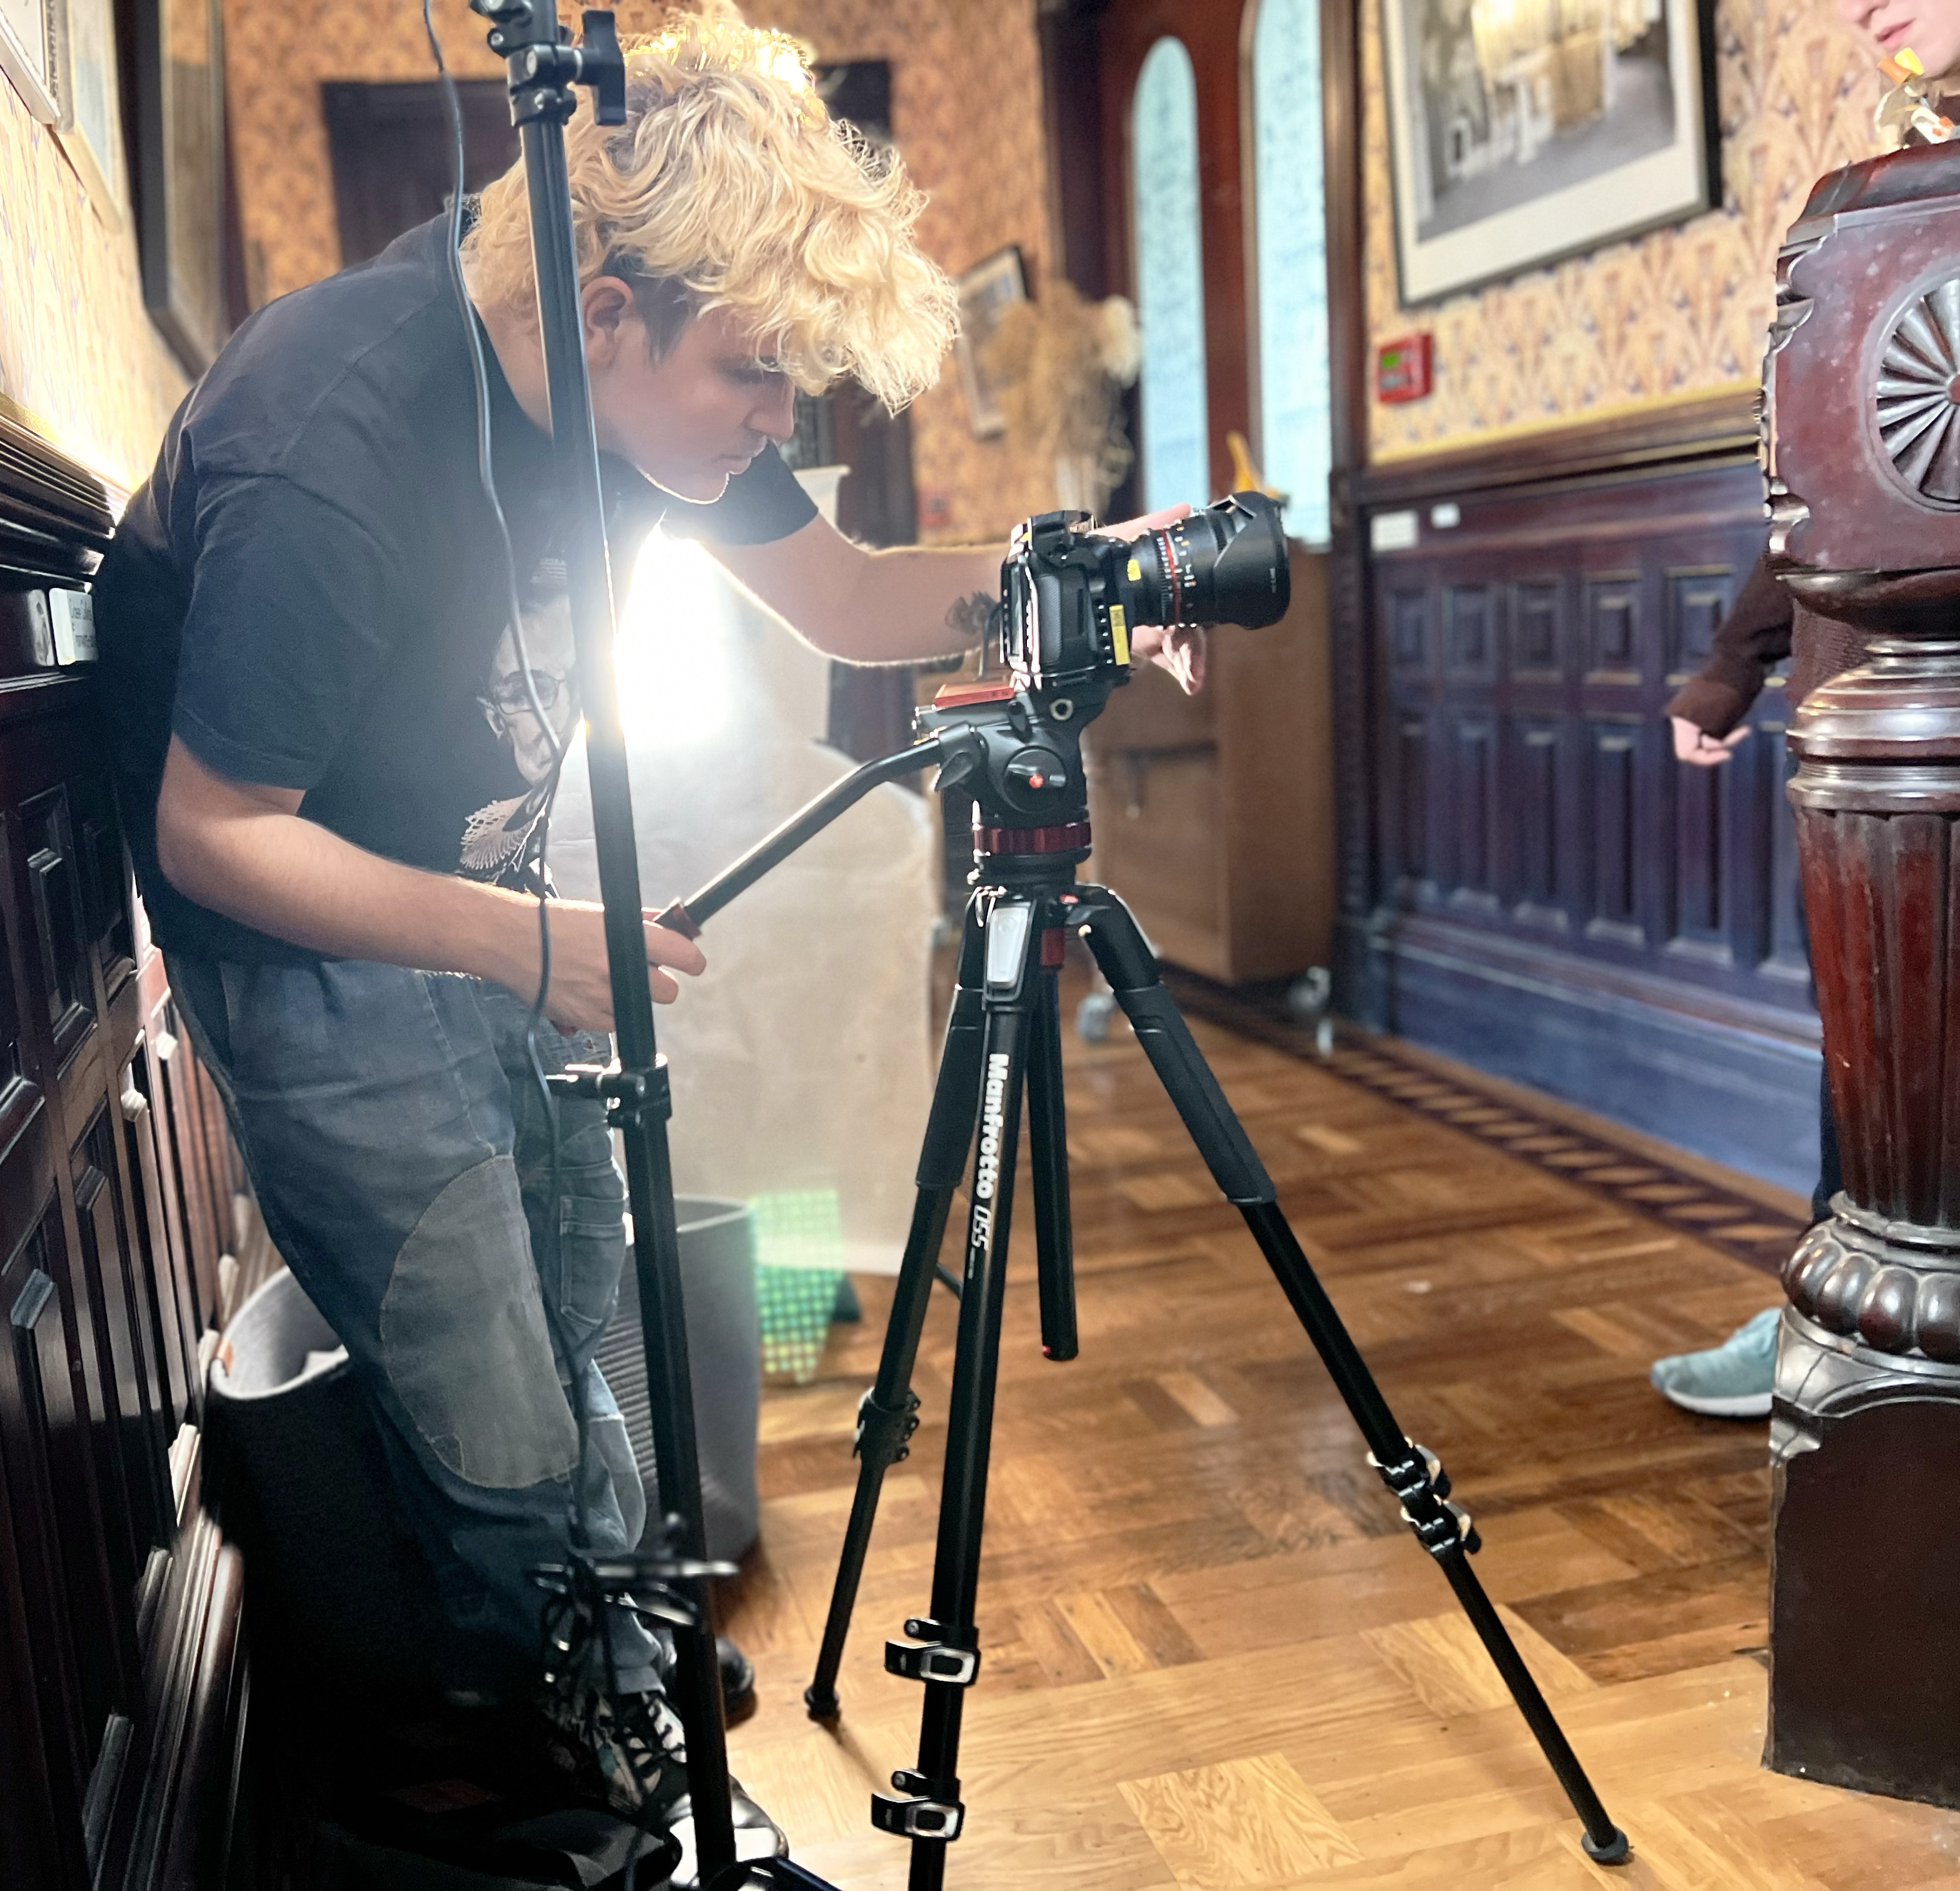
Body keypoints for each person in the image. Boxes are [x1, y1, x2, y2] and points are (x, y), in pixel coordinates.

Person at [92, 8, 1201, 1856]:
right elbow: (212, 839)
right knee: (494, 1415)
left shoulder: (631, 377)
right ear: (605, 309)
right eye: (757, 381)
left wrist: (1066, 574)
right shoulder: (337, 431)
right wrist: (524, 944)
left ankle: (589, 1668)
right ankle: (499, 1779)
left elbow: (848, 601)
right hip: (317, 953)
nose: (783, 427)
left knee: (591, 1340)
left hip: (479, 914)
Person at [1650, 0, 1960, 1417]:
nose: (1859, 3)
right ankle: (1838, 1332)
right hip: (1872, 746)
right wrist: (1734, 667)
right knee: (1881, 1066)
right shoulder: (1880, 203)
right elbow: (1828, 497)